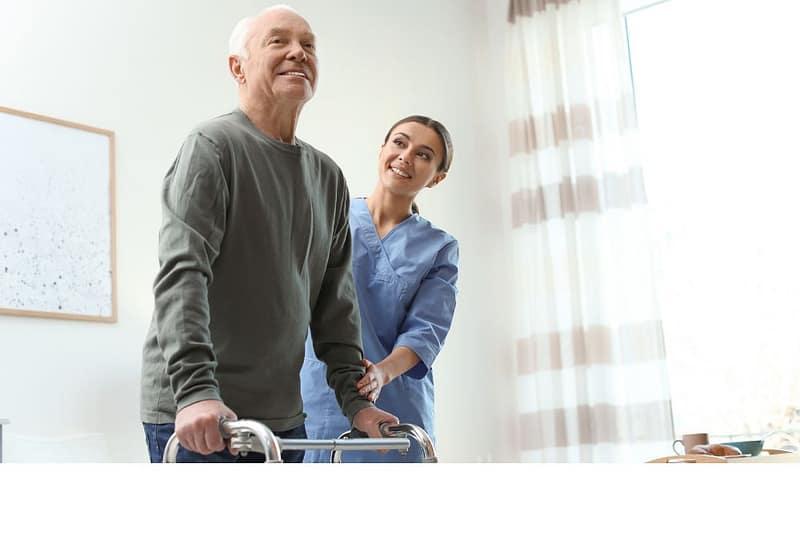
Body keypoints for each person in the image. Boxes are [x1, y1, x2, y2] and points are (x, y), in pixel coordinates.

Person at [139, 5, 398, 463]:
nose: (298, 52)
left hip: (281, 419)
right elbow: (183, 275)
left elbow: (335, 306)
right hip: (202, 413)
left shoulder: (328, 177)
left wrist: (356, 404)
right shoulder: (213, 147)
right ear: (237, 67)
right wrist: (197, 391)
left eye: (309, 45)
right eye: (278, 41)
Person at [300, 115, 459, 462]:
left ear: (437, 177)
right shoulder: (328, 219)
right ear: (382, 150)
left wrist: (381, 374)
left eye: (423, 154)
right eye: (399, 143)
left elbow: (426, 331)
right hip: (318, 392)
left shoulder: (438, 247)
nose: (405, 156)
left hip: (395, 404)